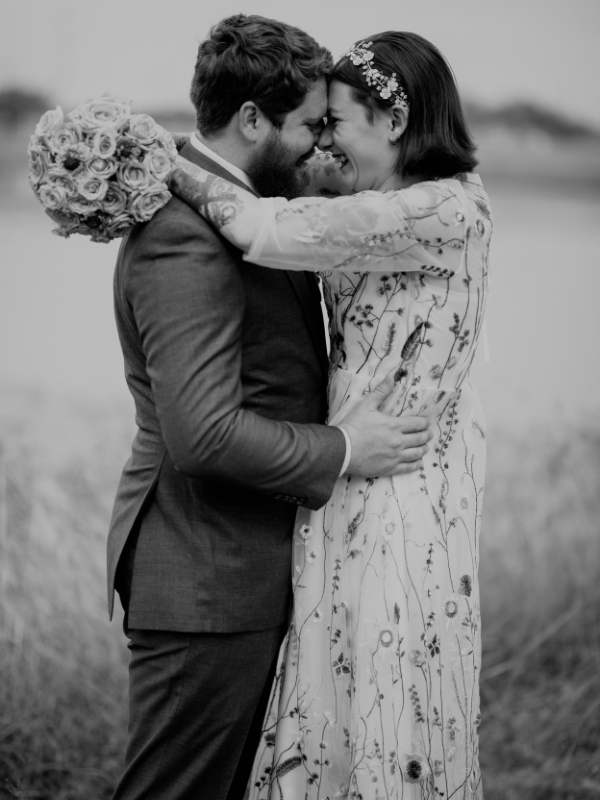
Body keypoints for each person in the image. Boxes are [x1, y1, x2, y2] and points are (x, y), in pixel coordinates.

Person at [107, 16, 432, 800]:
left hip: (237, 572)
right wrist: (345, 448)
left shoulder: (247, 208)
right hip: (206, 581)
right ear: (251, 119)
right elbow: (203, 433)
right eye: (309, 126)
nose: (321, 144)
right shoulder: (182, 238)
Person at [169, 30, 492, 799]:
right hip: (350, 471)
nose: (326, 140)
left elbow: (264, 230)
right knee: (336, 683)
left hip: (405, 484)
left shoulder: (442, 211)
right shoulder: (371, 201)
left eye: (336, 121)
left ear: (393, 119)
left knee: (392, 688)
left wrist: (159, 161)